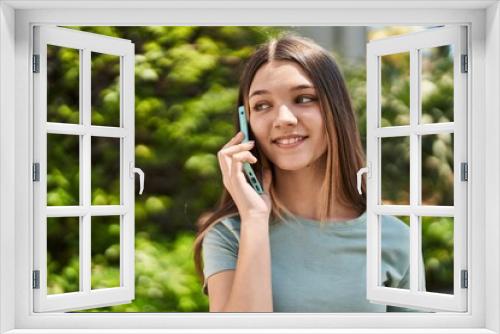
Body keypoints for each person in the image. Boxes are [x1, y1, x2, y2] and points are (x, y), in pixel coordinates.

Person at [192, 33, 425, 312]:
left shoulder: (393, 237)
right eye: (262, 105)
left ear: (335, 110)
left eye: (304, 98)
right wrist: (254, 218)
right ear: (247, 122)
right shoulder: (230, 235)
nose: (284, 120)